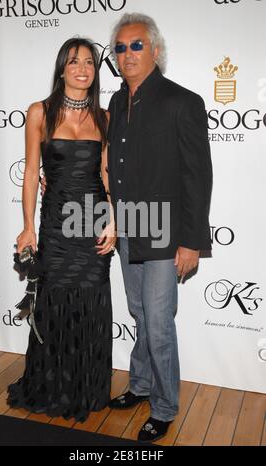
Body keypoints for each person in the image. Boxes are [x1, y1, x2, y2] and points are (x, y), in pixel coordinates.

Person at [107, 13, 213, 443]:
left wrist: (191, 241)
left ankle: (164, 406)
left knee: (158, 322)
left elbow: (196, 175)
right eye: (120, 47)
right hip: (128, 227)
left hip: (167, 233)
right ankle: (141, 384)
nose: (127, 53)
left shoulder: (181, 101)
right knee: (138, 313)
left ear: (154, 50)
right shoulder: (115, 102)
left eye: (136, 45)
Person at [7, 38, 116, 422]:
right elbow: (31, 175)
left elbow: (107, 174)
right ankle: (51, 385)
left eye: (89, 62)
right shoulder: (40, 112)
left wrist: (115, 221)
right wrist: (26, 228)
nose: (82, 68)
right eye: (74, 62)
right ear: (62, 68)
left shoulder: (104, 117)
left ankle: (85, 387)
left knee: (89, 303)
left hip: (92, 223)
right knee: (54, 303)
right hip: (54, 224)